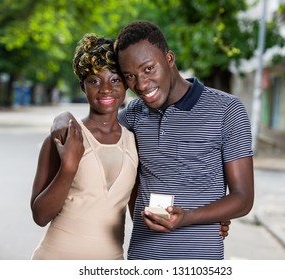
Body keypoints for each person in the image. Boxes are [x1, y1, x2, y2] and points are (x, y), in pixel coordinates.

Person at [52, 21, 252, 260]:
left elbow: (243, 198)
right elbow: (93, 130)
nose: (142, 85)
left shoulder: (227, 110)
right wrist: (62, 119)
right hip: (142, 257)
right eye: (130, 76)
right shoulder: (135, 114)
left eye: (148, 69)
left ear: (169, 59)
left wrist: (189, 218)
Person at [30, 33, 138, 259]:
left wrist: (203, 223)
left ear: (127, 84)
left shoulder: (135, 142)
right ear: (83, 86)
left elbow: (139, 212)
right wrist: (68, 166)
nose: (105, 88)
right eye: (94, 81)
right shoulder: (64, 136)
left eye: (115, 79)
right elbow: (40, 216)